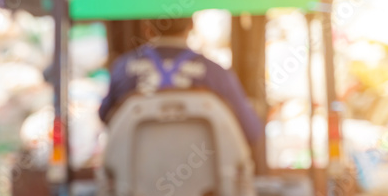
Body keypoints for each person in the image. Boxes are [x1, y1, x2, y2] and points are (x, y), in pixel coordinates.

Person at [98, 17, 264, 143]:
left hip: (133, 185)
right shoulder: (217, 73)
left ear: (146, 29)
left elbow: (105, 119)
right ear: (192, 25)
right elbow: (252, 131)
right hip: (207, 184)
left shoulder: (122, 69)